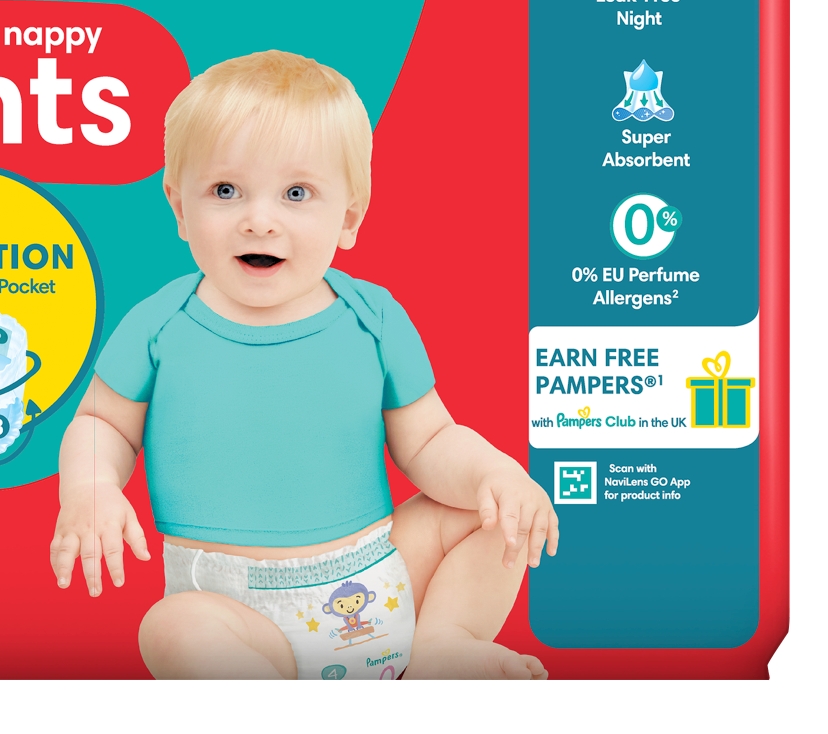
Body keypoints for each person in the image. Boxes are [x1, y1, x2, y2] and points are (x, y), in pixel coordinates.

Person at [48, 50, 556, 680]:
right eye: (226, 191)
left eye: (296, 193)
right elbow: (103, 425)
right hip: (233, 611)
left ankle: (443, 643)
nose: (259, 221)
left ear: (349, 216)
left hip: (381, 577)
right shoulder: (158, 324)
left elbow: (429, 440)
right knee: (171, 628)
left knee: (494, 512)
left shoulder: (374, 317)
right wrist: (91, 489)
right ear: (179, 208)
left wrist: (494, 473)